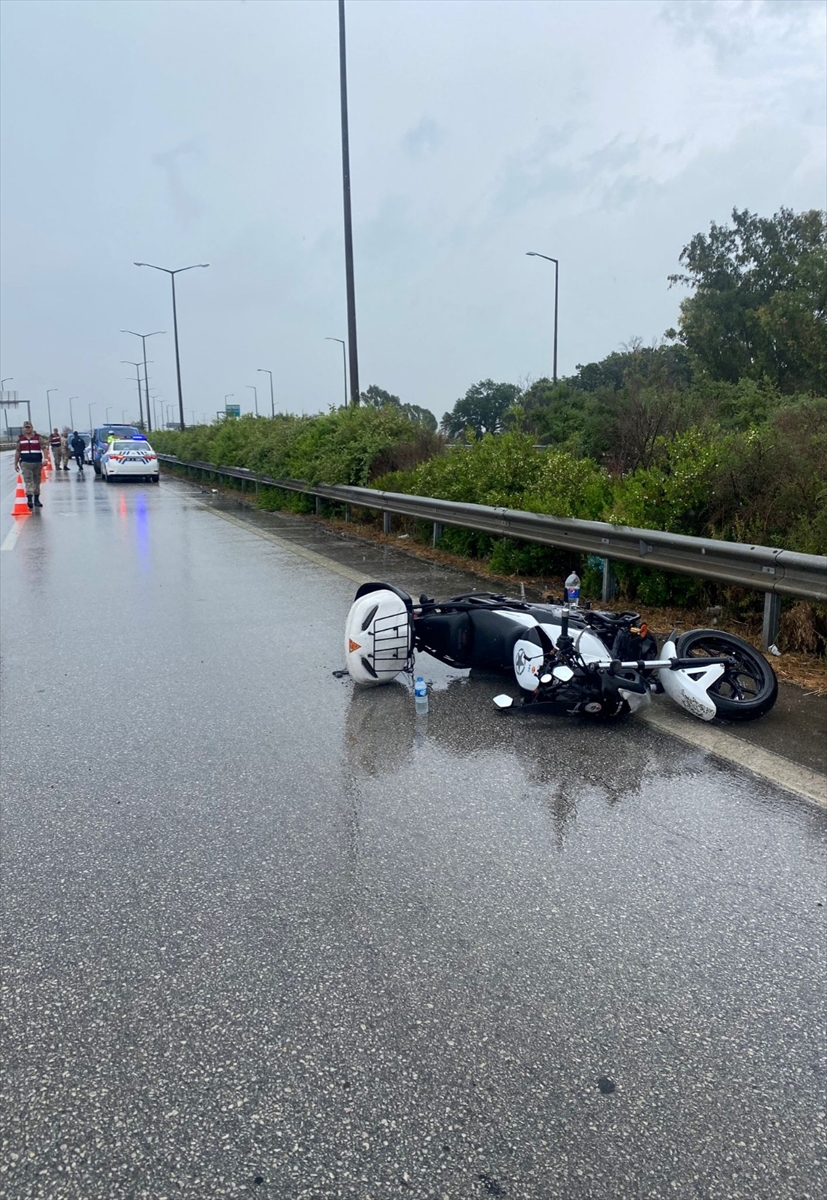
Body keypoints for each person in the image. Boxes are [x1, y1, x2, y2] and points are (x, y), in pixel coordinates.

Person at [14, 420, 45, 508]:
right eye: (26, 427)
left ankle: (36, 499)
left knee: (37, 481)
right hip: (25, 463)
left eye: (29, 427)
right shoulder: (20, 439)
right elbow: (18, 451)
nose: (27, 429)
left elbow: (44, 448)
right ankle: (29, 500)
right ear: (23, 428)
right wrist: (15, 463)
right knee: (28, 481)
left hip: (37, 463)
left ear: (32, 428)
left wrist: (46, 459)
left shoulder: (38, 438)